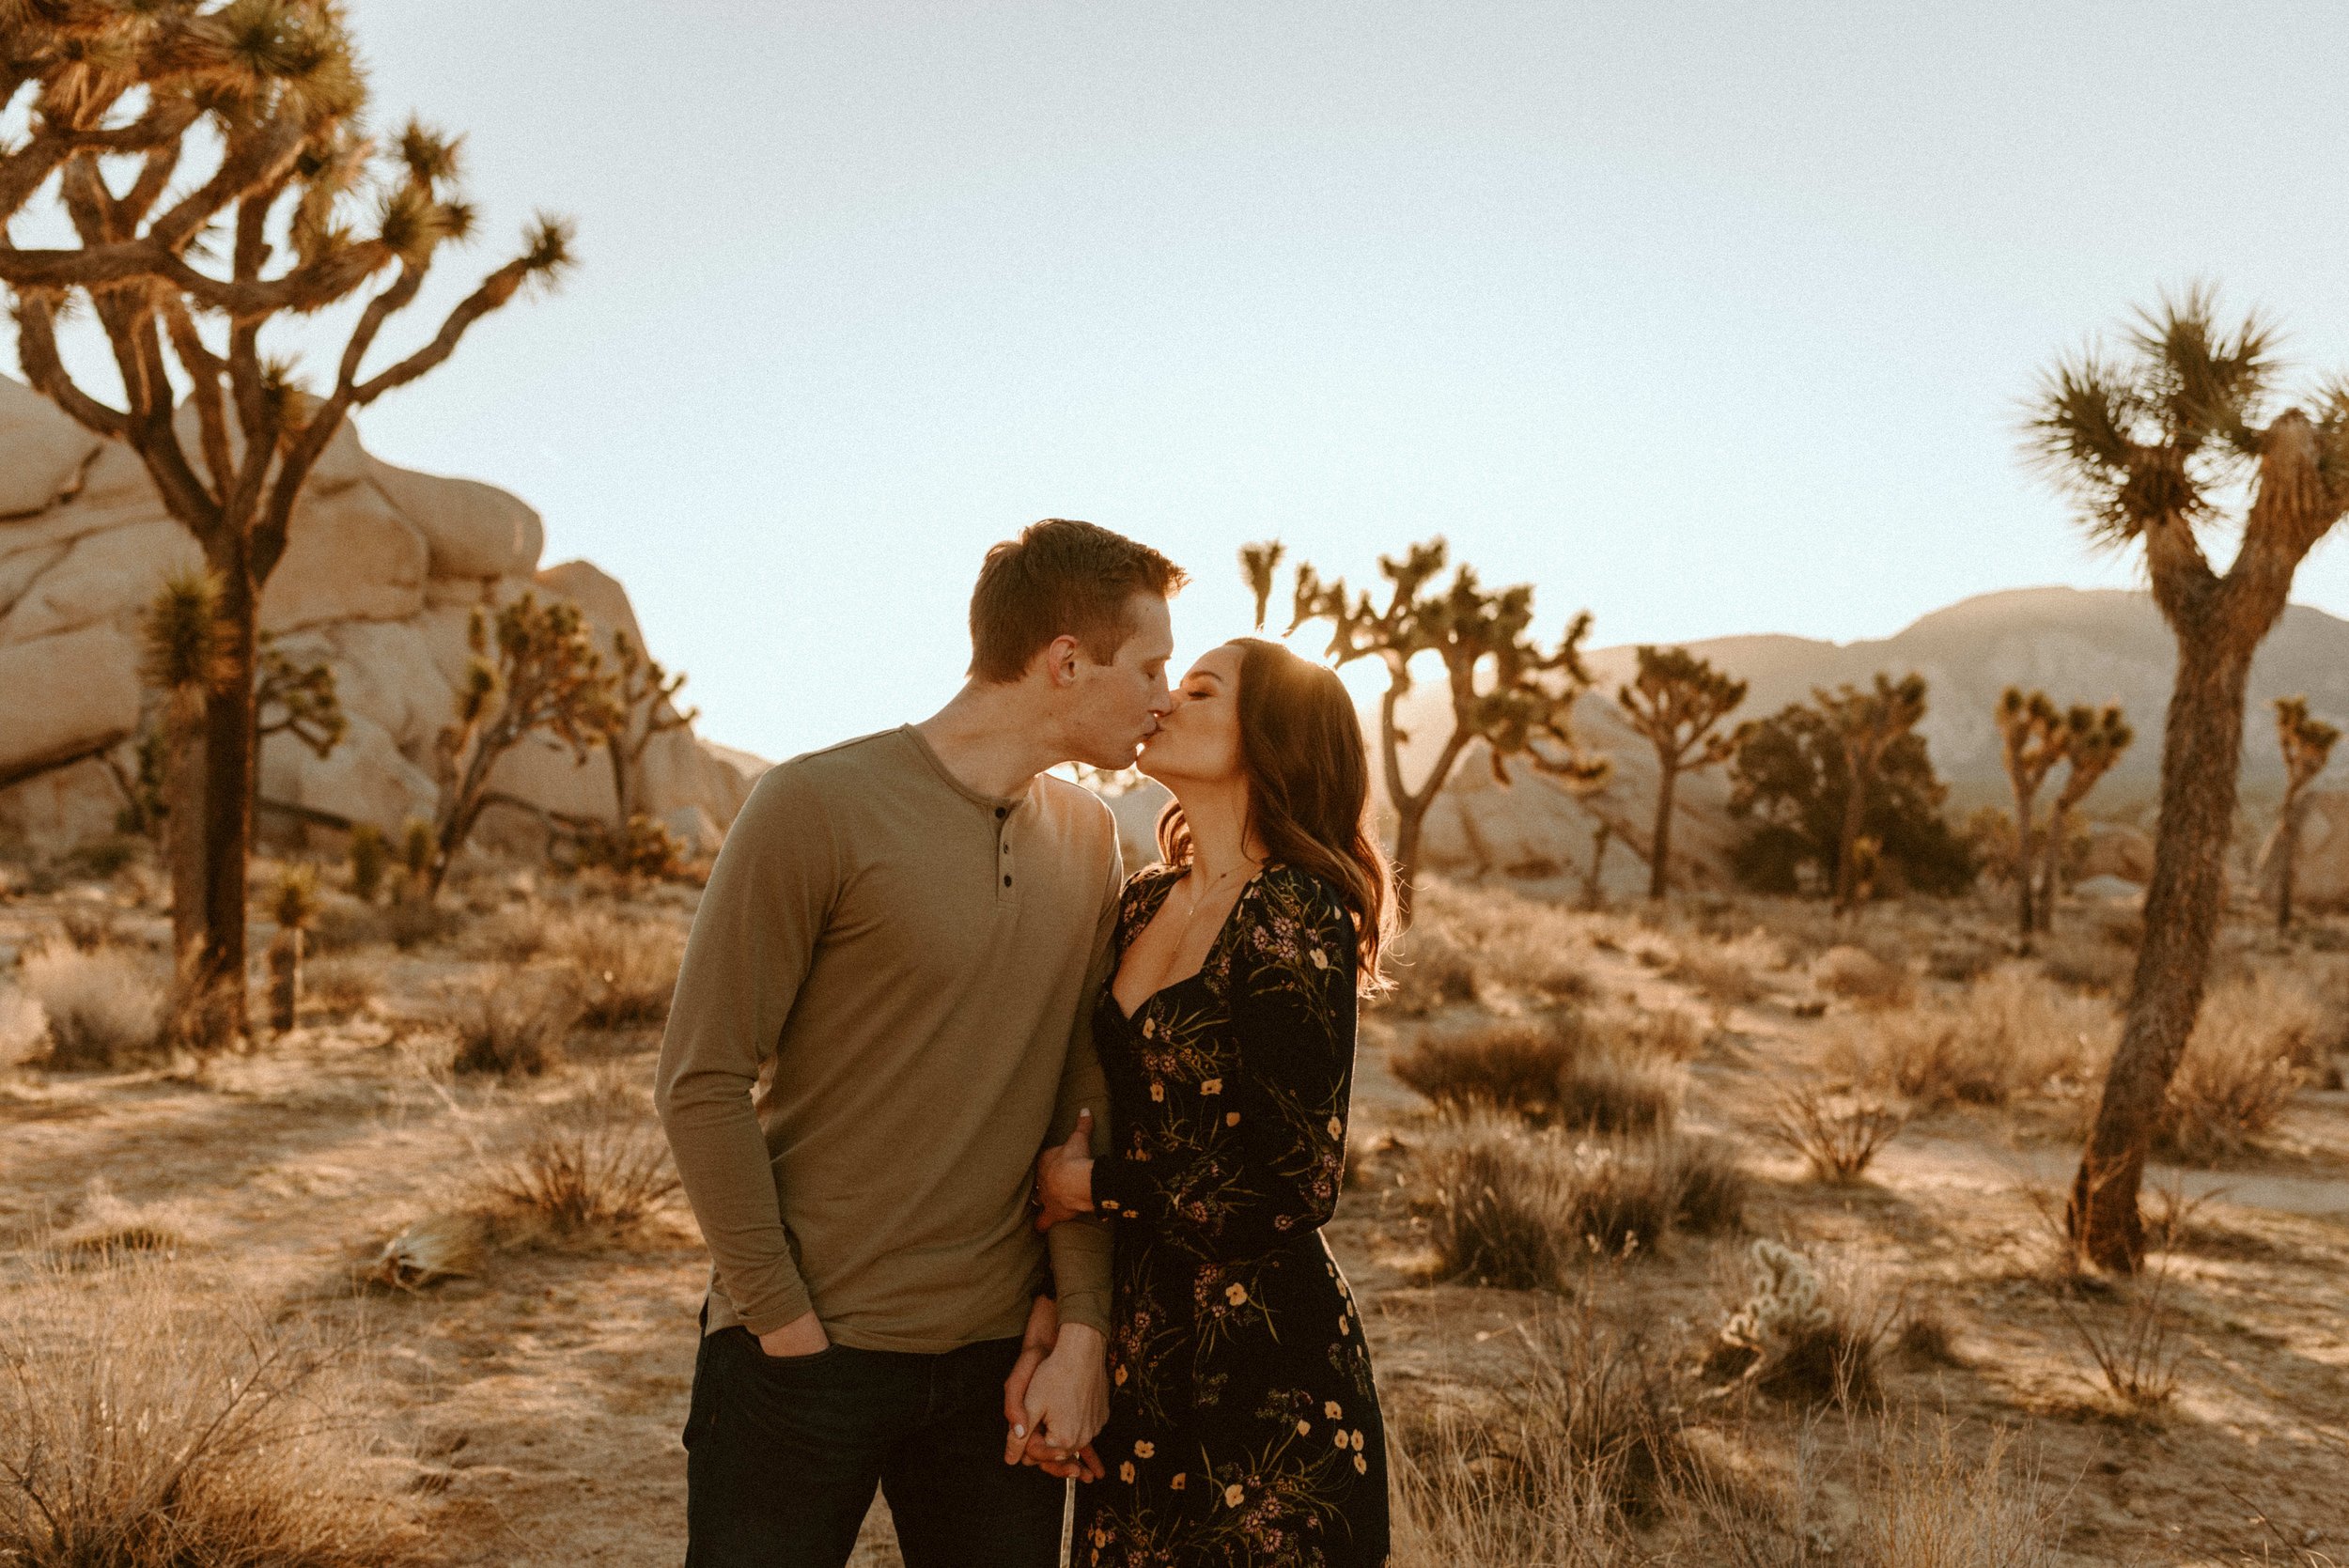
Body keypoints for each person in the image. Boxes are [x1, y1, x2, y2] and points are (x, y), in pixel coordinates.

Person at [656, 519, 1185, 1568]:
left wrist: (1078, 1323)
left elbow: (1079, 1093)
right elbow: (701, 1078)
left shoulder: (1089, 843)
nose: (1164, 694)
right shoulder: (815, 806)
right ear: (1065, 661)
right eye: (1152, 663)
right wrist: (782, 1323)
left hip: (994, 1366)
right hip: (805, 1352)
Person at [1033, 636, 1394, 1567]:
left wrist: (1097, 1189)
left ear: (1264, 736)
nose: (1167, 701)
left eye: (1200, 690)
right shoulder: (1144, 900)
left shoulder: (1291, 910)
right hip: (1145, 1341)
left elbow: (1296, 1183)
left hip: (1264, 1362)